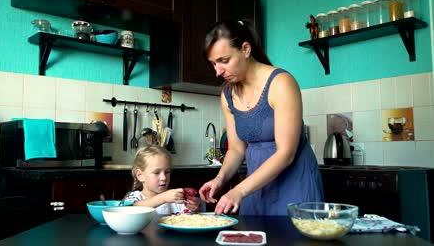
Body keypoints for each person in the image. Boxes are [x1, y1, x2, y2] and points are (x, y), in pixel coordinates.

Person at [199, 19, 324, 216]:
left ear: (246, 49)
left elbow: (286, 153)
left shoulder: (281, 83)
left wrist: (239, 190)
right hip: (256, 188)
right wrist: (220, 179)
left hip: (295, 185)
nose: (217, 71)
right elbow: (236, 150)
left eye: (224, 61)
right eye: (214, 63)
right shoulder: (227, 96)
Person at [123, 145, 201, 214]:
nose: (164, 178)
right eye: (156, 173)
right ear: (140, 175)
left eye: (167, 172)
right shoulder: (135, 197)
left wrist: (194, 209)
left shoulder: (175, 198)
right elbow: (129, 209)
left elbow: (189, 218)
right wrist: (163, 198)